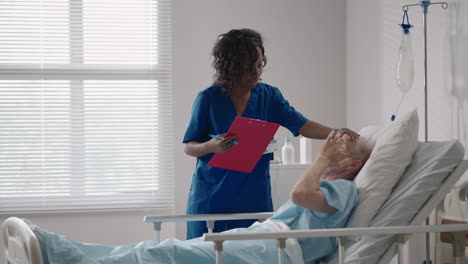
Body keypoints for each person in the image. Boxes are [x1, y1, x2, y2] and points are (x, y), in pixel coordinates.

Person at [29, 131, 371, 264]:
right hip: (260, 240)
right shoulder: (326, 183)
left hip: (272, 253)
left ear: (353, 164)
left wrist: (322, 160)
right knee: (150, 250)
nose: (326, 151)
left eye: (334, 149)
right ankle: (56, 249)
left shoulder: (344, 189)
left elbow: (299, 194)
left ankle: (55, 256)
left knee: (166, 252)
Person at [183, 28, 359, 239]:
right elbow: (190, 146)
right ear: (230, 68)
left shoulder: (269, 96)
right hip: (211, 197)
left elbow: (303, 125)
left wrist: (336, 133)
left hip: (253, 196)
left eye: (259, 65)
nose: (256, 73)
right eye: (248, 68)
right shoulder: (208, 99)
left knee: (254, 253)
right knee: (206, 255)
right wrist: (210, 146)